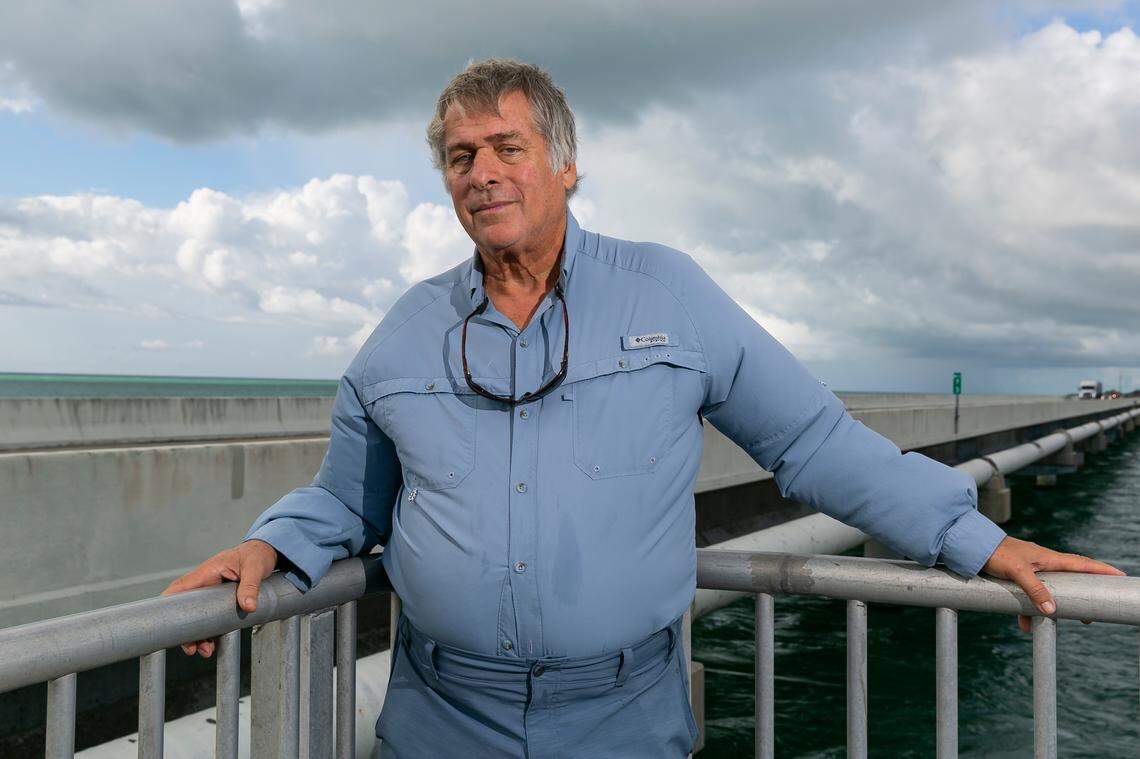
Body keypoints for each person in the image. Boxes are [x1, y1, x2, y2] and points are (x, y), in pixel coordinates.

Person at [164, 58, 1124, 757]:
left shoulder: (670, 296)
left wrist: (974, 539)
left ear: (566, 166)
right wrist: (271, 544)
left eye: (508, 147)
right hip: (442, 719)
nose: (482, 173)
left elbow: (813, 441)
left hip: (623, 716)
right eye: (460, 157)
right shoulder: (403, 335)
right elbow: (351, 499)